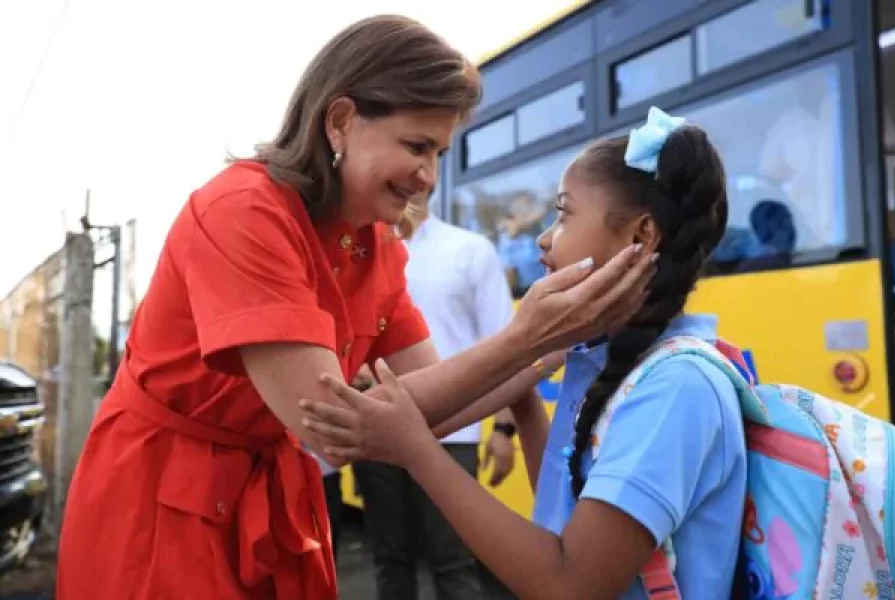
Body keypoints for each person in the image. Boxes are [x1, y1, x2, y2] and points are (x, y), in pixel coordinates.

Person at [54, 15, 656, 600]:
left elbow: (436, 404)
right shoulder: (243, 211)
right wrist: (530, 338)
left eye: (441, 152)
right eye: (417, 146)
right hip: (161, 503)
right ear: (340, 121)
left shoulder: (374, 249)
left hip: (265, 495)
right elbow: (326, 420)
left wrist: (557, 338)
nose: (429, 177)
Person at [301, 107, 745, 600]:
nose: (542, 238)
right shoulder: (602, 358)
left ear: (640, 236)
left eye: (564, 213)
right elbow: (562, 515)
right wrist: (524, 398)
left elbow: (569, 582)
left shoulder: (676, 386)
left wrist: (418, 452)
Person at [353, 188, 519, 600]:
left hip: (452, 432)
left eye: (428, 152)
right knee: (390, 560)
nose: (417, 169)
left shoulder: (469, 249)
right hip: (378, 430)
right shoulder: (358, 252)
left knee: (454, 562)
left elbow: (502, 341)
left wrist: (504, 429)